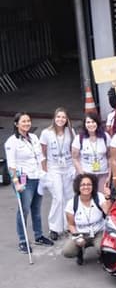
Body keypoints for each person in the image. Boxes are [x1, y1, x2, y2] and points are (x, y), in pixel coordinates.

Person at [5, 112, 53, 253]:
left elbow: (40, 157)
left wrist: (45, 174)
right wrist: (16, 182)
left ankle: (38, 236)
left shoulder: (33, 137)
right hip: (23, 179)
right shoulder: (12, 142)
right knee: (24, 209)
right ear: (16, 124)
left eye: (28, 121)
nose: (26, 123)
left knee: (36, 209)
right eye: (23, 121)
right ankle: (22, 240)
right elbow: (11, 165)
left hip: (37, 177)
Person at [40, 107, 77, 239]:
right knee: (58, 197)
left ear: (67, 119)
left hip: (68, 167)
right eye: (58, 117)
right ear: (54, 118)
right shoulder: (46, 133)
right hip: (54, 168)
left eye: (63, 117)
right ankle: (54, 228)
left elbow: (73, 150)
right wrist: (45, 172)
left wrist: (74, 167)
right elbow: (42, 153)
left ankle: (69, 225)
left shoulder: (70, 131)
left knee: (69, 196)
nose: (60, 120)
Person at [62, 173, 111, 265]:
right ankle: (79, 252)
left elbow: (108, 213)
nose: (86, 187)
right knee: (67, 251)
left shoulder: (99, 197)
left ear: (93, 186)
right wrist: (77, 237)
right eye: (83, 185)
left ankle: (102, 255)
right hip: (81, 233)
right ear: (78, 187)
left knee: (103, 248)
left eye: (89, 184)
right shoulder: (71, 203)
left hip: (99, 232)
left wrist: (107, 197)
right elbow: (71, 224)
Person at [72, 114, 110, 194]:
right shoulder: (79, 138)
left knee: (102, 197)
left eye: (93, 122)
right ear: (85, 124)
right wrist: (82, 173)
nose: (91, 124)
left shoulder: (105, 137)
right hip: (86, 173)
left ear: (97, 123)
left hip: (103, 173)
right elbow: (75, 158)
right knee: (88, 197)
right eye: (88, 122)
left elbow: (110, 157)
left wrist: (109, 175)